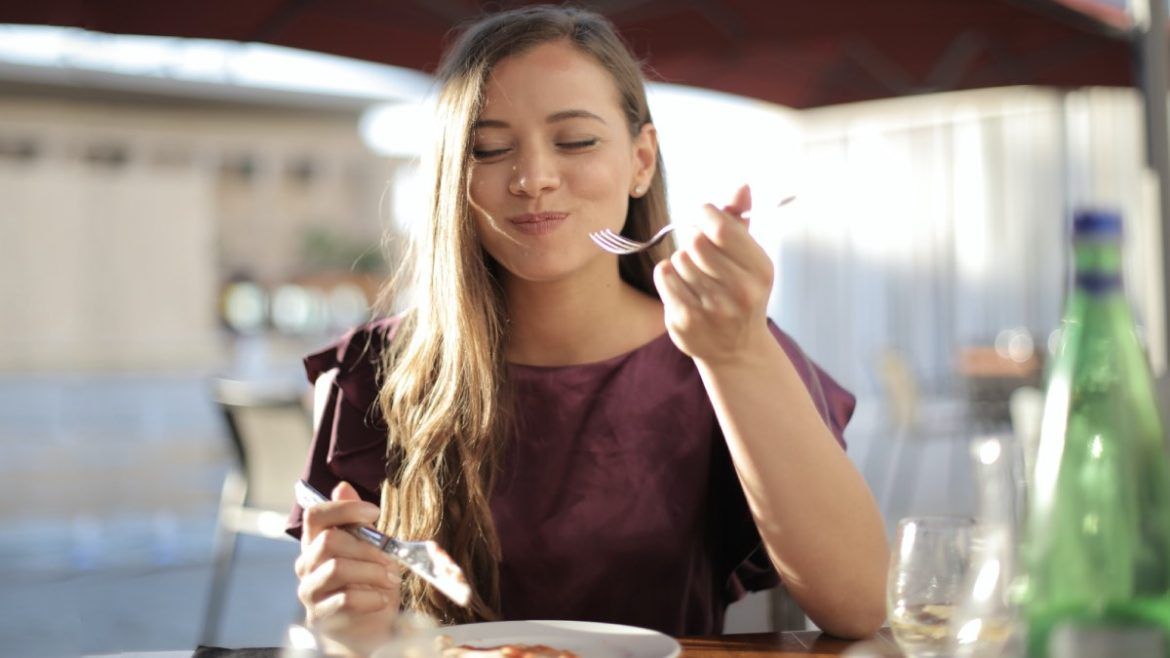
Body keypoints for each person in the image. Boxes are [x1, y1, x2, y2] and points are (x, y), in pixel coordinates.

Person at [287, 5, 888, 656]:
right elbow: (357, 628)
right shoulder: (376, 370)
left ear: (640, 161)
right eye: (488, 149)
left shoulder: (726, 348)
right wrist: (343, 622)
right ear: (453, 178)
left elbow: (861, 605)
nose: (534, 178)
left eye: (575, 141)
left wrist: (737, 356)